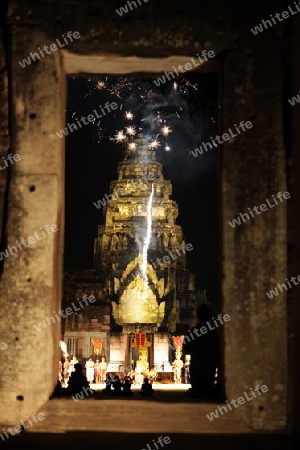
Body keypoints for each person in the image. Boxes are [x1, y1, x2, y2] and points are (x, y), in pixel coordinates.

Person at [184, 303, 220, 399]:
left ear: (197, 315)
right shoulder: (213, 333)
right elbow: (218, 352)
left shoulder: (191, 332)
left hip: (196, 366)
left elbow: (186, 349)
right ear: (209, 316)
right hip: (209, 367)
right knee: (207, 394)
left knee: (197, 394)